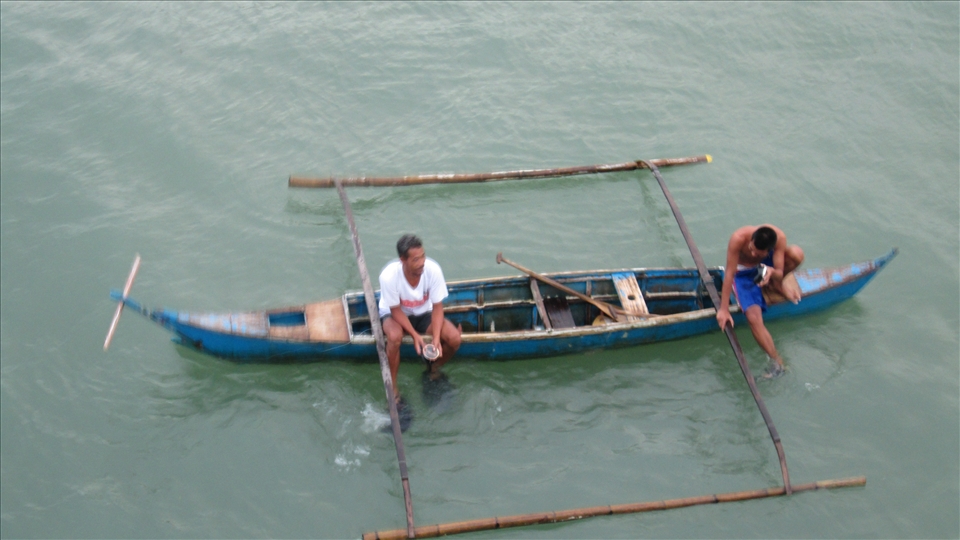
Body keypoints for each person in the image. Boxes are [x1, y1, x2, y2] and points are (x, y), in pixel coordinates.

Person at [378, 234, 461, 406]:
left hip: (424, 313)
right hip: (396, 314)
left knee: (454, 338)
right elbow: (395, 311)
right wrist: (415, 336)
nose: (422, 262)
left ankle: (433, 368)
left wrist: (436, 339)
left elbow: (438, 307)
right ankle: (393, 387)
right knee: (394, 338)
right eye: (416, 259)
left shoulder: (432, 270)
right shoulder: (389, 277)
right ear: (403, 260)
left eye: (423, 256)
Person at [716, 225, 804, 377]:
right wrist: (723, 309)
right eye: (751, 249)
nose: (752, 253)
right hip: (742, 273)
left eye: (757, 253)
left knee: (797, 253)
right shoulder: (738, 238)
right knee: (753, 317)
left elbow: (778, 271)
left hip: (765, 268)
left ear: (768, 251)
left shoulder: (779, 238)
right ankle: (778, 361)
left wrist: (772, 272)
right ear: (751, 240)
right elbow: (729, 273)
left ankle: (777, 285)